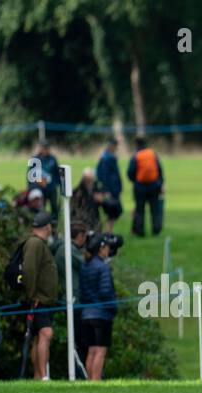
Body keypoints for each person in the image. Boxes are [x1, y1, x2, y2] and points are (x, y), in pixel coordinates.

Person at [19, 211, 59, 380]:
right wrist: (32, 295)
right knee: (46, 333)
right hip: (38, 300)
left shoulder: (37, 243)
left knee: (39, 336)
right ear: (48, 227)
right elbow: (29, 270)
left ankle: (38, 376)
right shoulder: (35, 243)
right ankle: (43, 376)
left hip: (41, 300)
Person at [78, 233, 117, 380]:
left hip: (86, 313)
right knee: (100, 350)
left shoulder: (85, 266)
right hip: (101, 314)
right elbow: (105, 292)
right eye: (107, 247)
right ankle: (96, 380)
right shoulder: (102, 267)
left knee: (91, 350)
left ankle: (90, 381)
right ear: (101, 248)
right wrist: (113, 307)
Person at [126, 137, 165, 237]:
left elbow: (130, 172)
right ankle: (156, 229)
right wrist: (160, 183)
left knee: (140, 210)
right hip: (154, 186)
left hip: (140, 187)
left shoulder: (136, 156)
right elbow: (160, 170)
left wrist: (135, 181)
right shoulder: (153, 154)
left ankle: (139, 231)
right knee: (155, 209)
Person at [29, 140, 61, 219]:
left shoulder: (52, 159)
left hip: (51, 187)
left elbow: (57, 173)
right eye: (43, 148)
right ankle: (42, 221)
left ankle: (54, 222)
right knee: (40, 207)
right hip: (40, 188)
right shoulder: (35, 159)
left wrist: (58, 184)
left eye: (46, 148)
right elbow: (31, 175)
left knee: (54, 205)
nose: (45, 150)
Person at [95, 139, 123, 229]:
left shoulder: (107, 156)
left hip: (113, 189)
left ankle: (108, 231)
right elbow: (104, 175)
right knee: (112, 212)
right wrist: (106, 190)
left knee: (114, 212)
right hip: (110, 189)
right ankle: (107, 232)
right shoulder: (107, 158)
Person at [70, 168, 102, 233]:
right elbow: (75, 208)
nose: (91, 181)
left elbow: (100, 201)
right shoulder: (78, 192)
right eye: (89, 179)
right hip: (82, 219)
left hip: (94, 217)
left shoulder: (95, 187)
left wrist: (101, 200)